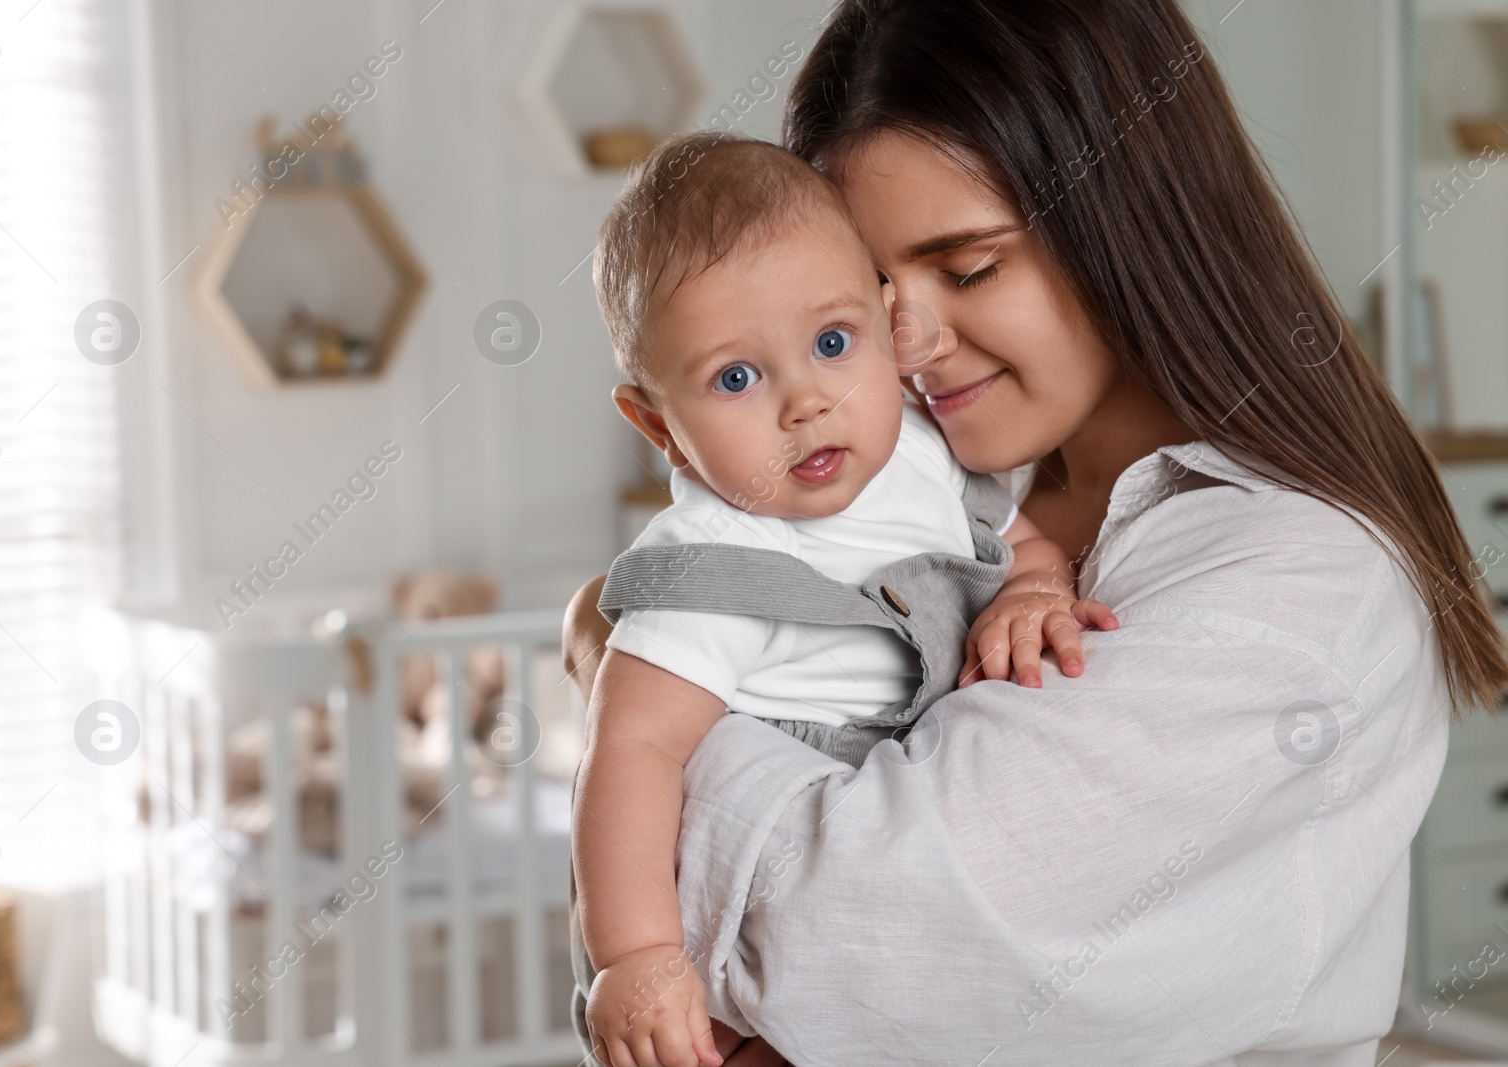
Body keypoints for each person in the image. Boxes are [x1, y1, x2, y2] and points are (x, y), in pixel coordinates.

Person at [563, 0, 1508, 1063]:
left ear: (1126, 224)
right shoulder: (945, 491)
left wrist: (626, 672)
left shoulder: (1296, 575)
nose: (906, 343)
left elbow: (872, 931)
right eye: (866, 302)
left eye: (968, 269)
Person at [572, 132, 1116, 1067]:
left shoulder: (916, 452)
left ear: (884, 317)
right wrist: (636, 953)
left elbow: (1017, 544)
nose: (806, 402)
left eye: (832, 342)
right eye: (736, 378)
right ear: (659, 423)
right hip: (753, 901)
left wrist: (1031, 588)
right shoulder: (712, 557)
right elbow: (632, 750)